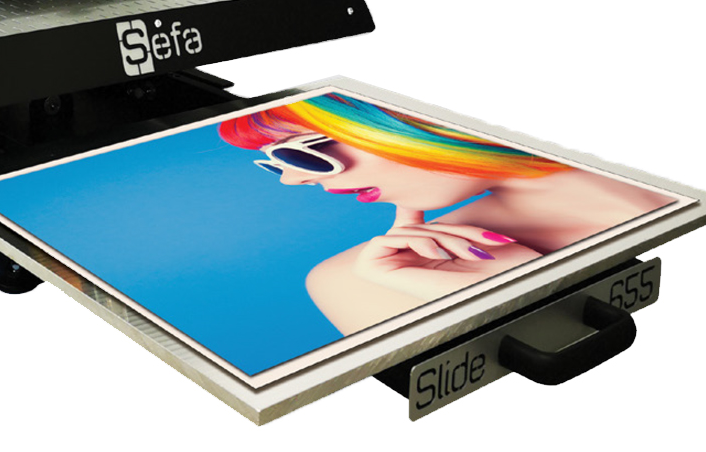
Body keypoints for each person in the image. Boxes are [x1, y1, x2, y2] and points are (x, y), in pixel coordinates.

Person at [218, 93, 673, 335]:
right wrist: (517, 295)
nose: (291, 180)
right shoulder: (352, 279)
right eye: (273, 163)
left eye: (299, 152)